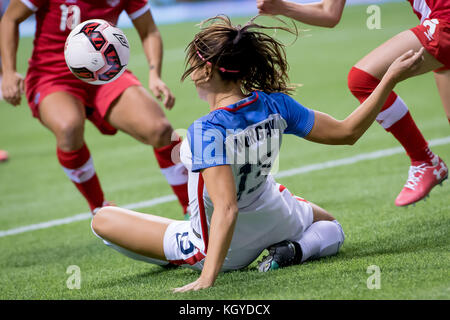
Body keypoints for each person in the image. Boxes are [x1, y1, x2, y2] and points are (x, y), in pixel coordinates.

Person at [91, 16, 424, 292]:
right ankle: (295, 250)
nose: (189, 66)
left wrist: (207, 278)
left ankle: (189, 252)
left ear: (207, 71)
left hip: (226, 247)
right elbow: (348, 132)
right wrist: (389, 79)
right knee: (332, 227)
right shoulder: (275, 103)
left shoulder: (207, 129)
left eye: (194, 61)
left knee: (102, 221)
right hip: (278, 215)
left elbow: (226, 208)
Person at [0, 0, 189, 215]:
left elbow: (149, 30)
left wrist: (154, 74)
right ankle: (100, 209)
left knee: (160, 129)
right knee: (68, 127)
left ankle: (193, 208)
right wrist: (8, 71)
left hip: (106, 74)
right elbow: (10, 18)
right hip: (52, 76)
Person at [256, 0, 449, 207]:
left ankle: (423, 159)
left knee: (363, 79)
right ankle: (425, 161)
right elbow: (329, 13)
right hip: (435, 19)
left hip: (443, 21)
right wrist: (281, 7)